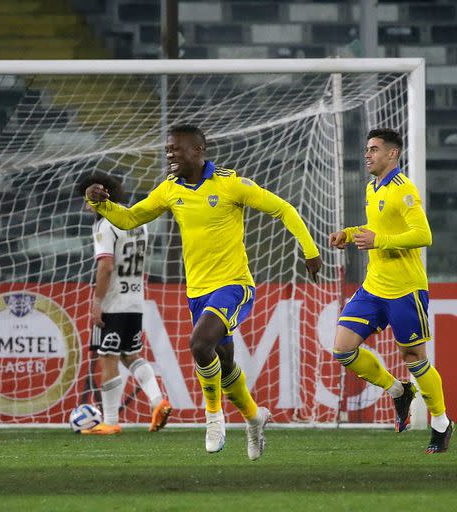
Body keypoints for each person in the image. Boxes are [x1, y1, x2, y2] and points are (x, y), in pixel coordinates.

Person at [85, 124, 322, 460]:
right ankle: (255, 417)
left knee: (199, 343)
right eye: (167, 150)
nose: (169, 155)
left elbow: (284, 209)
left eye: (175, 150)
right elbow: (130, 219)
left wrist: (310, 251)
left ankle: (214, 418)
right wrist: (101, 203)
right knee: (223, 364)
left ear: (197, 151)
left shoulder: (230, 183)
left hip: (234, 284)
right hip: (197, 291)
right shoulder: (170, 189)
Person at [329, 128, 452, 453]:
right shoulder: (373, 187)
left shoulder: (404, 189)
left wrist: (378, 241)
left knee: (413, 358)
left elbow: (423, 234)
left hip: (405, 289)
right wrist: (351, 232)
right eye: (367, 149)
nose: (367, 154)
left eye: (374, 149)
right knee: (343, 349)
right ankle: (398, 391)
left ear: (392, 154)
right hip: (374, 286)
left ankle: (441, 422)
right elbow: (378, 229)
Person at [77, 172, 173, 435]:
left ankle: (109, 421)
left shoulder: (104, 225)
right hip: (135, 301)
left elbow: (106, 266)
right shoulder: (138, 221)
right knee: (131, 356)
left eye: (88, 198)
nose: (86, 205)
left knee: (108, 358)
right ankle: (158, 402)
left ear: (100, 195)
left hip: (114, 303)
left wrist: (98, 302)